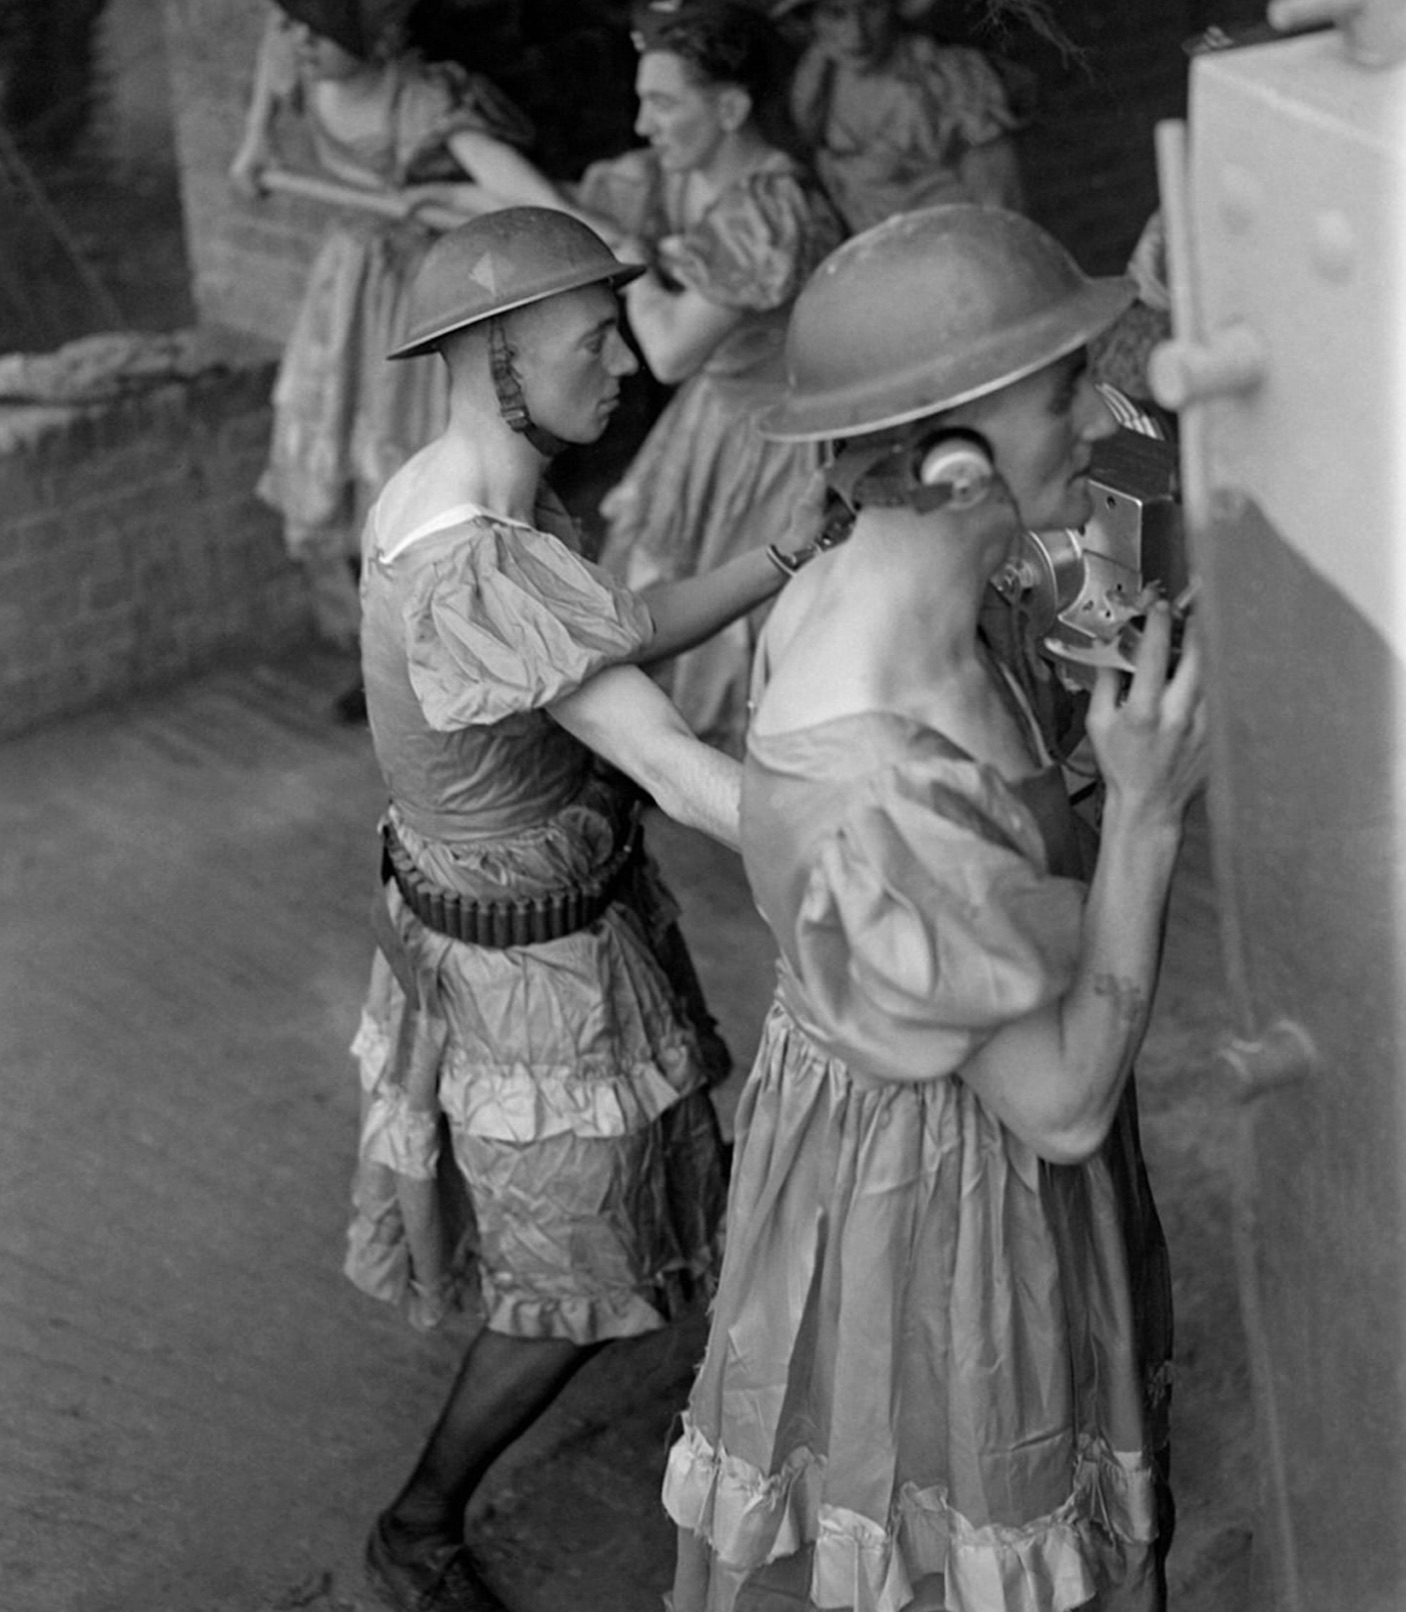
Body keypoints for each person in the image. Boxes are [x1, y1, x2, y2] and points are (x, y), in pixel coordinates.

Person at [662, 205, 1204, 1612]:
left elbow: (1111, 540)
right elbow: (1064, 1106)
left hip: (929, 1126)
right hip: (941, 1201)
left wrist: (1151, 327)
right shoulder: (873, 792)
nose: (1094, 413)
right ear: (954, 458)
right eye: (1058, 394)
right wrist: (1143, 813)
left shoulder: (925, 576)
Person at [344, 206, 839, 1612]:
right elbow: (679, 774)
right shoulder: (474, 560)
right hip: (536, 978)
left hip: (528, 922)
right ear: (495, 351)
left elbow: (606, 631)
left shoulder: (458, 492)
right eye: (590, 338)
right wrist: (904, 843)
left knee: (619, 1220)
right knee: (565, 1278)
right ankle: (414, 1527)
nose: (625, 362)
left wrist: (778, 561)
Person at [229, 0, 570, 700]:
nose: (295, 42)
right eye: (292, 25)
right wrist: (254, 141)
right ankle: (384, 644)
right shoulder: (306, 63)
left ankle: (455, 639)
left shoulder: (417, 100)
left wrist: (568, 222)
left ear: (367, 33)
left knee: (410, 461)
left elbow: (505, 179)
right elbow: (273, 47)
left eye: (314, 29)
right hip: (350, 287)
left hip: (414, 294)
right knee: (345, 457)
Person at [570, 0, 845, 756]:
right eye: (641, 100)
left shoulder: (770, 206)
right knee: (670, 586)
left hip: (771, 436)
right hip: (717, 418)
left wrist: (628, 261)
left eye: (662, 102)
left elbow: (667, 352)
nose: (643, 124)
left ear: (729, 106)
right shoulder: (696, 179)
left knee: (753, 625)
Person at [772, 0, 1034, 233]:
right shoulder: (814, 86)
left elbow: (1001, 204)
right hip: (885, 270)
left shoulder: (945, 78)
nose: (857, 33)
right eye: (835, 12)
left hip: (959, 252)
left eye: (872, 7)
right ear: (811, 17)